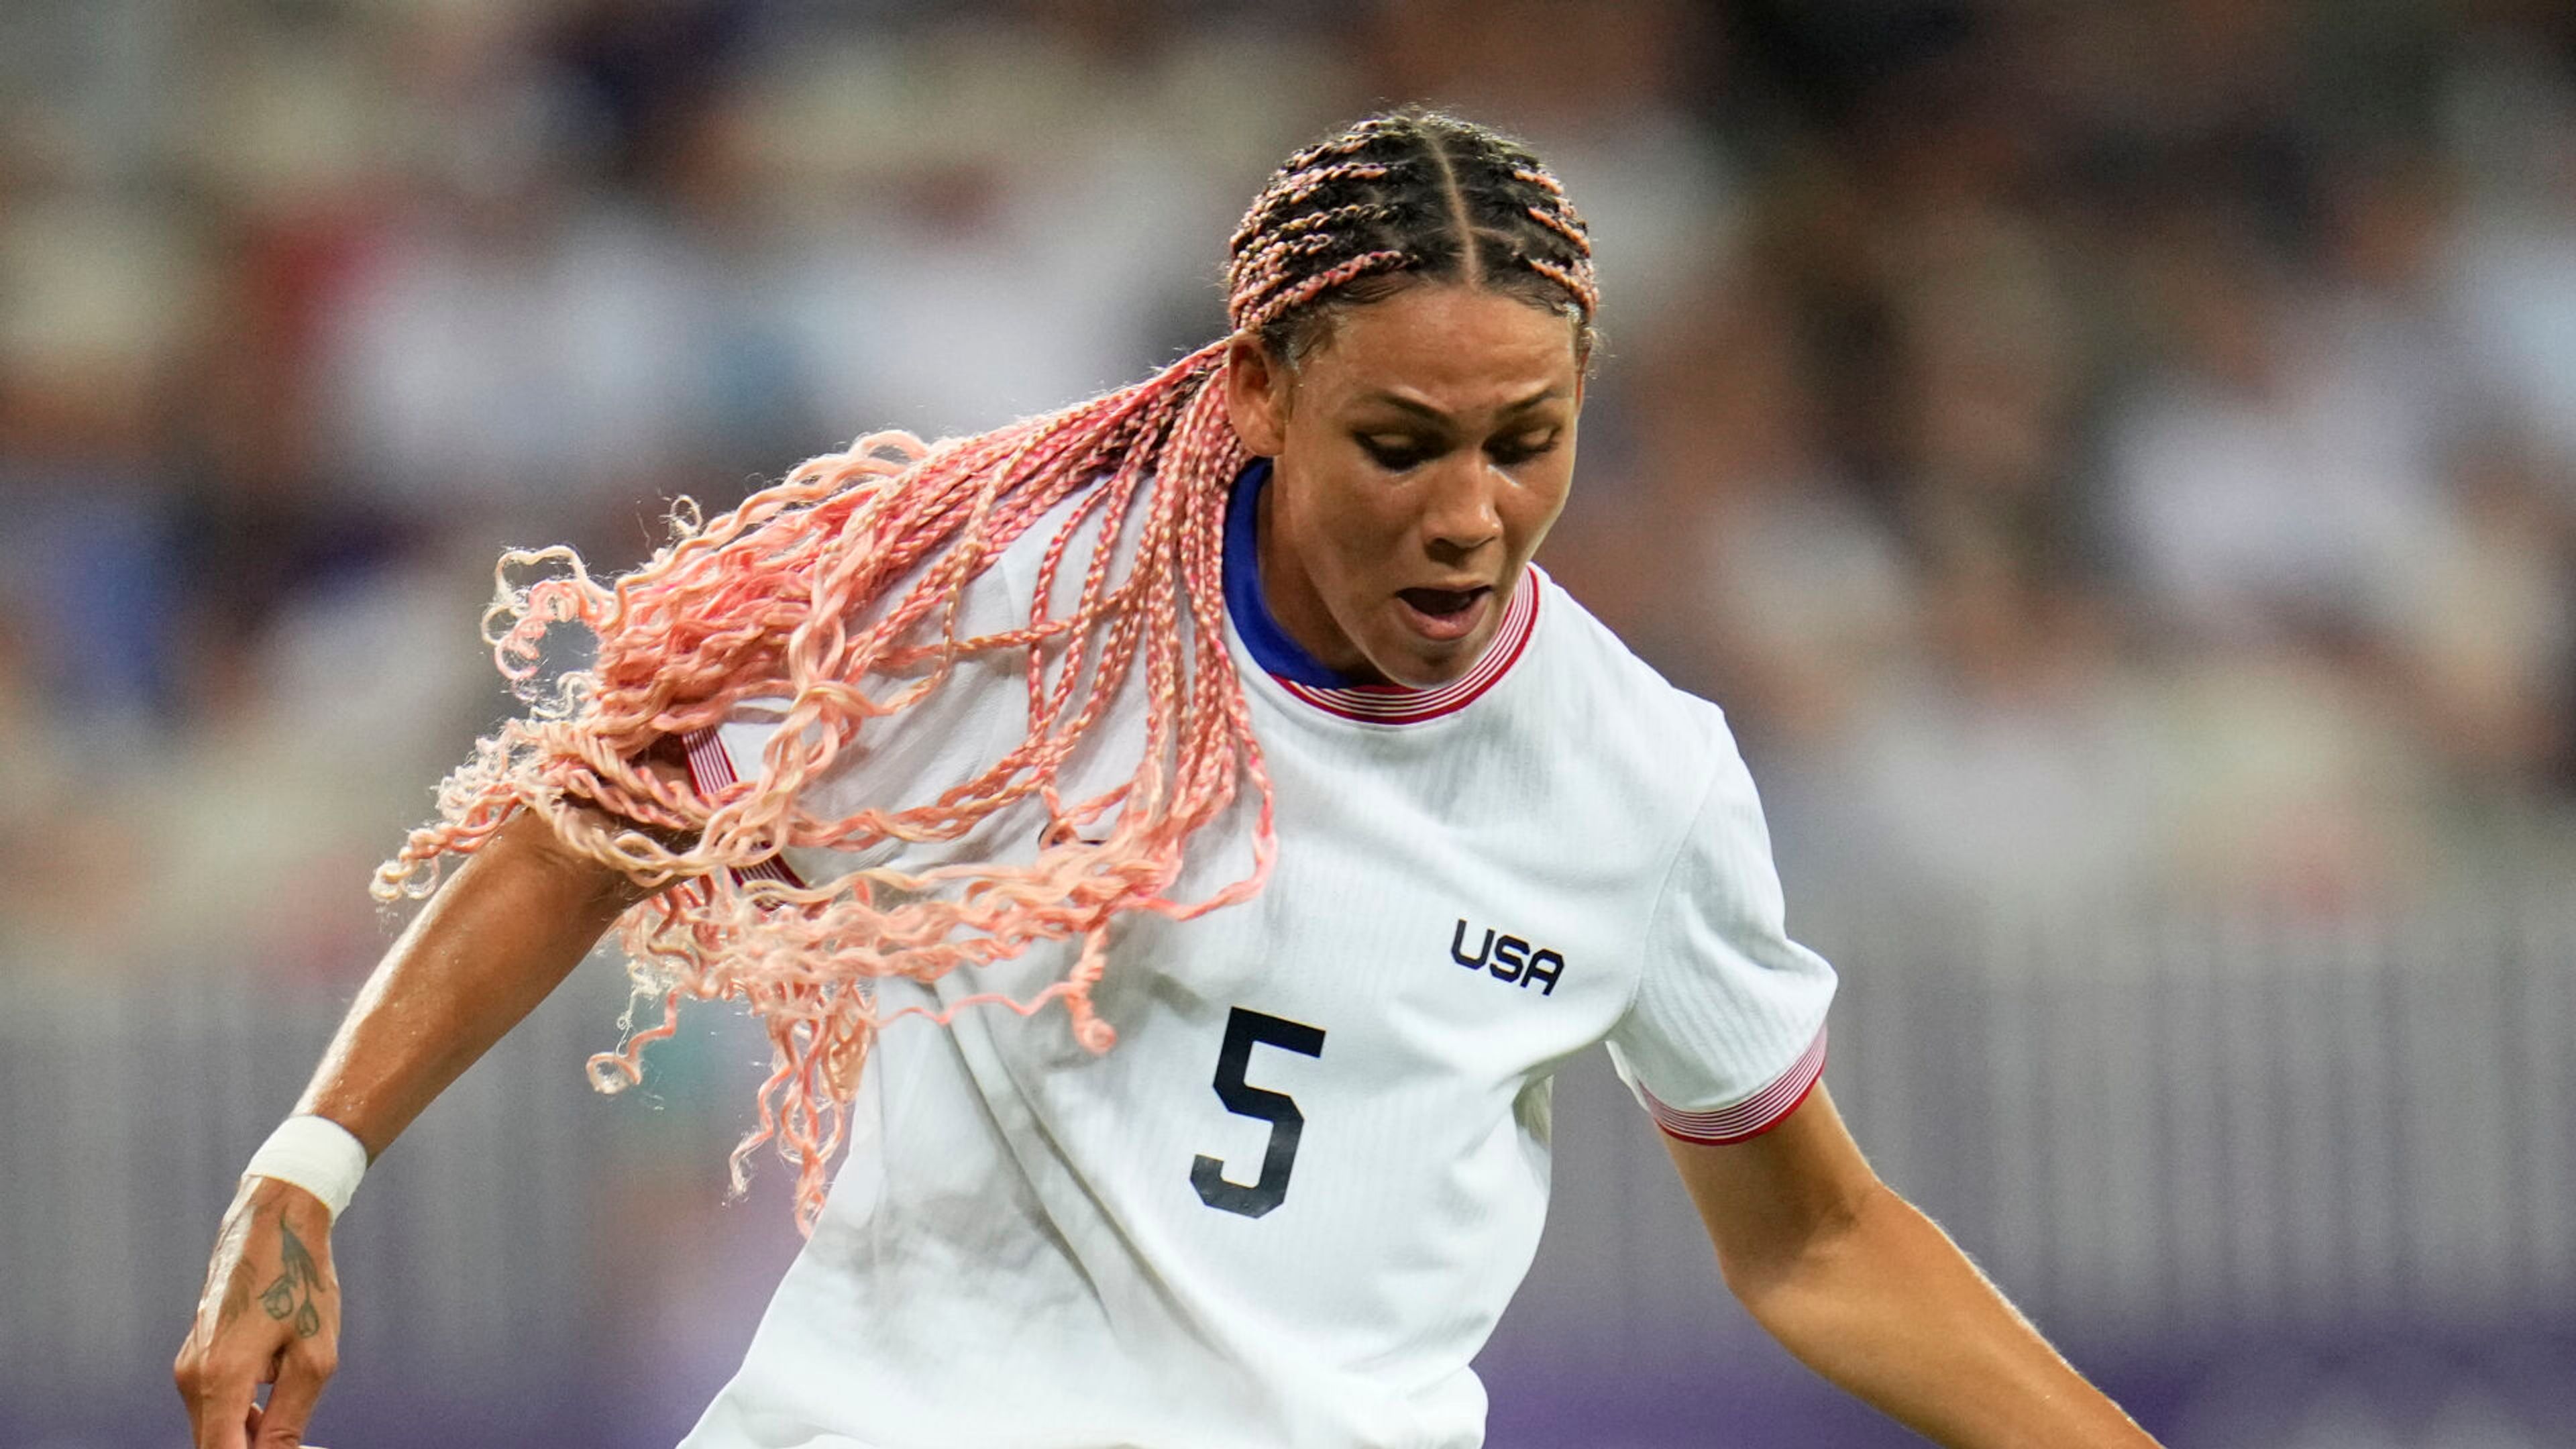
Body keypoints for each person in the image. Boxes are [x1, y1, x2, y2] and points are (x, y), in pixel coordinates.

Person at [176, 109, 2161, 1449]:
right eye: (1402, 444)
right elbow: (593, 815)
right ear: (1259, 391)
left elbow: (1813, 1237)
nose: (1475, 517)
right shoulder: (1014, 619)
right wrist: (305, 1171)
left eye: (1528, 441)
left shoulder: (1636, 777)